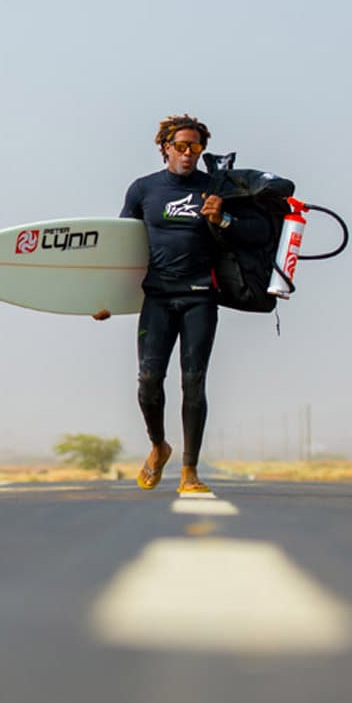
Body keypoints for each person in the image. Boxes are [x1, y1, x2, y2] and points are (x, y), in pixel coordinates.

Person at [92, 114, 226, 495]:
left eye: (196, 148)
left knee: (193, 381)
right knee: (149, 380)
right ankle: (158, 445)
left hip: (201, 296)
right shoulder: (144, 190)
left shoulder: (214, 188)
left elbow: (240, 234)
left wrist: (224, 217)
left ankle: (190, 471)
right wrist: (105, 300)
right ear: (165, 147)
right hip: (158, 297)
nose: (189, 154)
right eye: (181, 147)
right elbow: (121, 248)